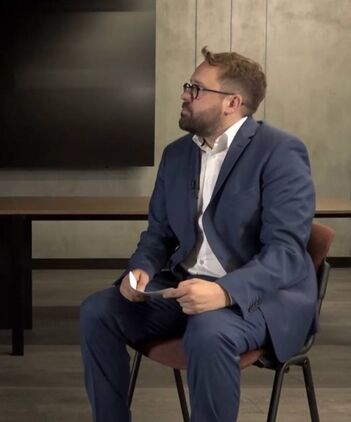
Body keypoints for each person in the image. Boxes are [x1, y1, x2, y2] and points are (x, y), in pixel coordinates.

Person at [79, 47, 316, 421]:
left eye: (196, 88)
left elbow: (285, 251)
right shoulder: (176, 155)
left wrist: (224, 292)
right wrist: (140, 269)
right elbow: (158, 233)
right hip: (184, 287)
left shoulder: (280, 151)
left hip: (259, 298)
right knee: (98, 310)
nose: (184, 94)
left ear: (232, 103)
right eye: (187, 86)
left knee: (208, 332)